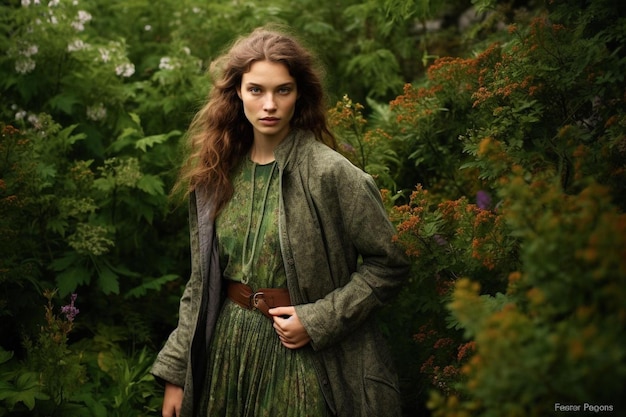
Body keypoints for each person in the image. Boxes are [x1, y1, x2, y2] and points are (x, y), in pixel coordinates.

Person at [151, 25, 410, 417]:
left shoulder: (332, 175)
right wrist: (177, 372)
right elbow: (201, 283)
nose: (269, 104)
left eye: (282, 90)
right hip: (227, 352)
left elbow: (390, 265)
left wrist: (317, 319)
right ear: (237, 92)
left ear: (298, 94)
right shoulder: (217, 175)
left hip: (303, 358)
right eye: (256, 89)